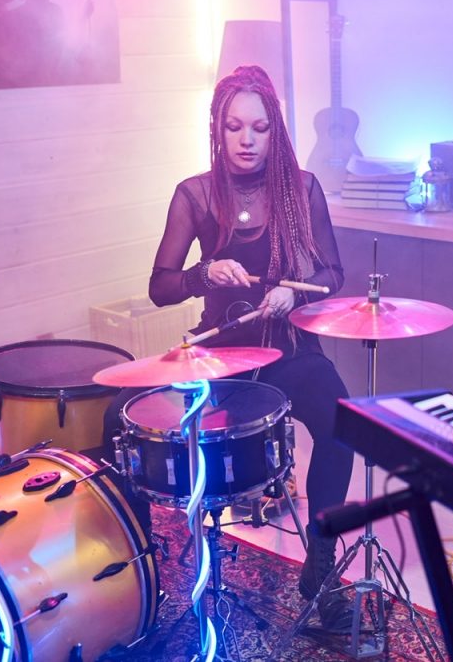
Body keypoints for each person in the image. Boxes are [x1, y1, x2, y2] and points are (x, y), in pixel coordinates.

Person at [146, 64, 355, 629]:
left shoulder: (302, 189)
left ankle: (320, 562)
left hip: (290, 350)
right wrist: (203, 273)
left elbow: (334, 271)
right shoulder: (194, 194)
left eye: (259, 128)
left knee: (341, 431)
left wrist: (294, 289)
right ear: (218, 128)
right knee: (200, 462)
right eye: (235, 127)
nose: (246, 139)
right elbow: (160, 287)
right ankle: (176, 568)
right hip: (225, 359)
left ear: (275, 130)